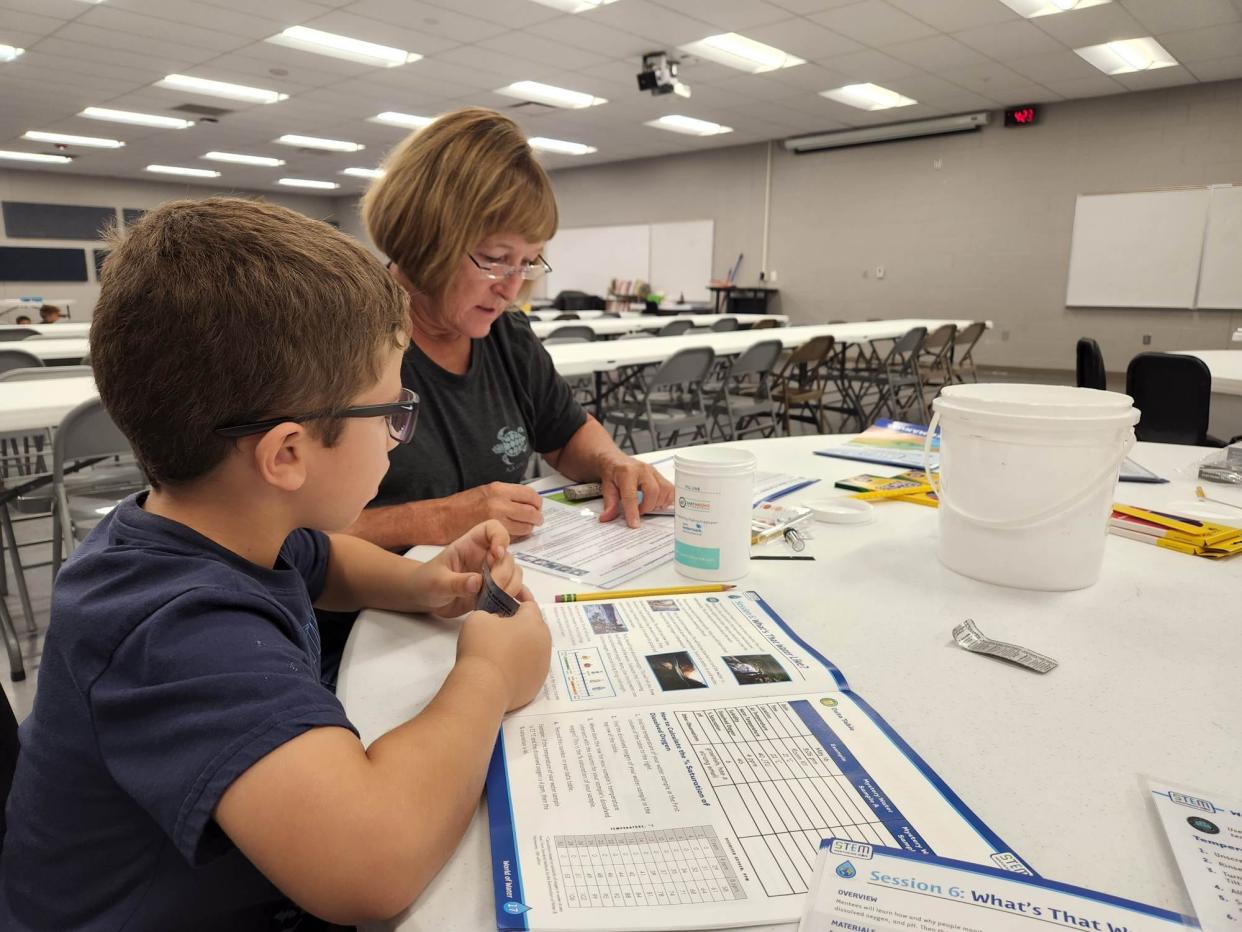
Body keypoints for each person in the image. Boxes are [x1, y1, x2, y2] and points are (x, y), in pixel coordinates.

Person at [0, 197, 552, 930]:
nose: (398, 434)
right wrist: (488, 673)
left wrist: (426, 582)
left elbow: (320, 562)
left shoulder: (217, 519)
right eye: (390, 410)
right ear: (286, 454)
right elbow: (372, 863)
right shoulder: (174, 629)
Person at [347, 107, 674, 550]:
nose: (511, 288)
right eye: (496, 258)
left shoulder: (507, 334)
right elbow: (274, 533)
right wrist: (437, 518)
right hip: (367, 612)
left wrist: (611, 462)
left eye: (528, 262)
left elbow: (564, 434)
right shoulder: (342, 339)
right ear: (425, 239)